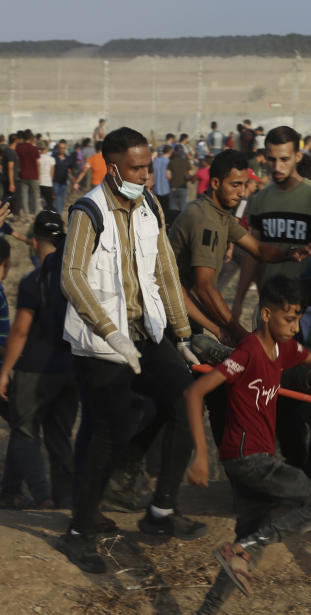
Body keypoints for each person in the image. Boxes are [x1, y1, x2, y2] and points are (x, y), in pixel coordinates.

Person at [55, 127, 205, 574]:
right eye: (138, 167)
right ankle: (80, 530)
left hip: (147, 331)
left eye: (148, 164)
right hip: (101, 344)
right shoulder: (89, 211)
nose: (148, 174)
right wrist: (109, 332)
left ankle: (161, 511)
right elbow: (71, 277)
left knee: (182, 401)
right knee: (108, 430)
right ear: (114, 167)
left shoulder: (150, 207)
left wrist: (182, 335)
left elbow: (165, 271)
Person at [185, 276, 311, 613]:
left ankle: (209, 607)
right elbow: (195, 392)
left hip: (250, 459)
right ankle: (243, 550)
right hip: (250, 459)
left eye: (298, 318)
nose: (295, 326)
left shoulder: (284, 348)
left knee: (246, 548)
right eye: (288, 319)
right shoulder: (247, 353)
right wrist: (201, 455)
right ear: (265, 315)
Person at [168, 149, 311, 346]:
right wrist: (239, 333)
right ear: (215, 183)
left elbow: (257, 249)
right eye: (235, 185)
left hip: (188, 312)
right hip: (173, 318)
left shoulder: (219, 214)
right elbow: (204, 286)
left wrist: (290, 253)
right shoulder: (205, 220)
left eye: (244, 185)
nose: (241, 192)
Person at [0, 212, 76, 509]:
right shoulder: (75, 277)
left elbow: (20, 331)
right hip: (70, 366)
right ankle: (63, 498)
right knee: (59, 436)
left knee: (24, 429)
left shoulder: (33, 280)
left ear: (34, 242)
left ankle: (42, 496)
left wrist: (5, 371)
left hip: (35, 367)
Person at [232, 126, 311, 319]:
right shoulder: (260, 200)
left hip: (305, 306)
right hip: (269, 303)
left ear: (298, 157)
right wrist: (239, 299)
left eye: (284, 159)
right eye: (271, 159)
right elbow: (254, 253)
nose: (277, 167)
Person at [15, 130, 40, 217]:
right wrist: (39, 175)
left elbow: (17, 162)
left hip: (23, 176)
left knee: (24, 198)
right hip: (34, 175)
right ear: (31, 138)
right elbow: (37, 163)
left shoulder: (19, 148)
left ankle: (27, 218)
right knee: (36, 197)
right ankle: (36, 215)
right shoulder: (34, 148)